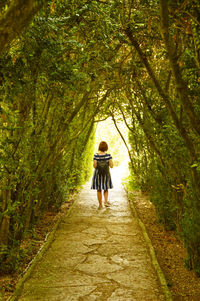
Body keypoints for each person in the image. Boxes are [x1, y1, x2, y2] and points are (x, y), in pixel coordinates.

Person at [91, 141, 113, 209]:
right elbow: (111, 166)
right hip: (106, 174)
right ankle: (106, 202)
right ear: (106, 147)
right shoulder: (108, 155)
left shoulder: (96, 155)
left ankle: (100, 205)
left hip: (98, 174)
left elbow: (94, 166)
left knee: (99, 189)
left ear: (99, 147)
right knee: (105, 188)